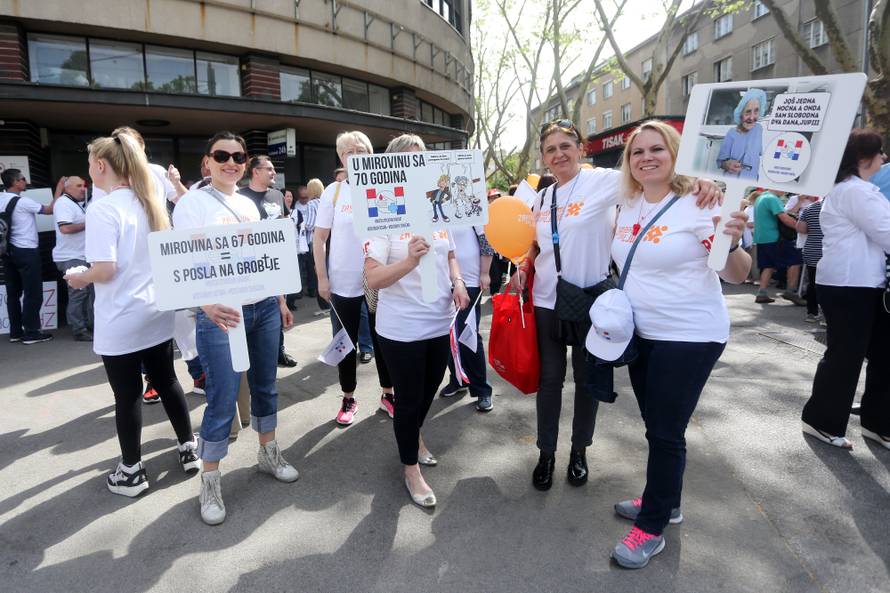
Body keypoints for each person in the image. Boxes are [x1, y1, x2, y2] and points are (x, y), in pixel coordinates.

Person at [512, 119, 720, 494]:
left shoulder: (604, 181)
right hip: (546, 300)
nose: (559, 154)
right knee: (549, 381)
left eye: (565, 146)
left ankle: (579, 451)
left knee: (587, 381)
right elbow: (534, 242)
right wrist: (525, 264)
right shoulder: (540, 197)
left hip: (591, 299)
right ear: (543, 157)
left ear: (581, 148)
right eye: (550, 149)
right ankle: (546, 453)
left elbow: (652, 174)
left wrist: (700, 182)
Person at [602, 120, 750, 569]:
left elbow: (737, 273)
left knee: (665, 431)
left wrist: (733, 238)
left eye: (657, 149)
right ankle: (667, 501)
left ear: (675, 154)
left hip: (689, 335)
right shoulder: (626, 203)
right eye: (636, 152)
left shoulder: (700, 204)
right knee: (658, 426)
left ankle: (651, 526)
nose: (646, 157)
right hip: (641, 334)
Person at [172, 131, 299, 525]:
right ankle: (210, 480)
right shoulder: (192, 203)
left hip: (261, 308)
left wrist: (278, 299)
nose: (231, 162)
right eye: (222, 155)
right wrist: (205, 304)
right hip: (221, 315)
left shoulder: (247, 203)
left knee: (265, 385)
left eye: (238, 156)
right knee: (223, 397)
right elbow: (182, 261)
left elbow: (263, 258)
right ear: (207, 161)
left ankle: (268, 452)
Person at [65, 131, 198, 497]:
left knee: (127, 395)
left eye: (90, 161)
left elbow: (105, 270)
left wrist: (79, 278)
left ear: (101, 165)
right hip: (155, 310)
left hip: (121, 316)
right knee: (167, 380)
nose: (88, 167)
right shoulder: (147, 201)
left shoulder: (102, 208)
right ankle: (188, 447)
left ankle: (131, 471)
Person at [365, 219, 470, 508]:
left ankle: (414, 435)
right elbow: (373, 279)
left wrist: (458, 281)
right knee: (409, 401)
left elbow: (450, 255)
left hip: (439, 322)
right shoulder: (385, 220)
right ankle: (411, 469)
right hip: (402, 328)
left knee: (427, 393)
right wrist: (410, 260)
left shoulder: (439, 215)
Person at [801, 129, 890, 451]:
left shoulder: (851, 189)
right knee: (846, 356)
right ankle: (822, 420)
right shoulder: (856, 192)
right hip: (852, 284)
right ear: (863, 158)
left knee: (877, 354)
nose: (883, 157)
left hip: (858, 282)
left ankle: (877, 422)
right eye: (879, 152)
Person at [313, 131, 394, 425]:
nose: (356, 154)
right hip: (342, 282)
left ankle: (388, 393)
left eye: (362, 149)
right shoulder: (333, 192)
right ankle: (348, 397)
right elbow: (319, 238)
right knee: (345, 343)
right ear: (341, 158)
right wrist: (322, 278)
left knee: (382, 339)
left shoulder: (386, 187)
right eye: (349, 151)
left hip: (379, 280)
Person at [238, 155, 296, 368]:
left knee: (279, 309)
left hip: (277, 263)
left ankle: (279, 350)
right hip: (252, 266)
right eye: (269, 169)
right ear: (255, 171)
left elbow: (285, 222)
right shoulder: (241, 196)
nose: (274, 173)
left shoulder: (277, 195)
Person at [0, 168, 58, 344]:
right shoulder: (23, 202)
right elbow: (49, 210)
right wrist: (59, 189)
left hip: (6, 252)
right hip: (26, 251)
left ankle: (16, 332)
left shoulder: (1, 199)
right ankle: (32, 332)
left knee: (13, 293)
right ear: (16, 182)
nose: (25, 182)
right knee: (32, 292)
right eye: (23, 179)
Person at [52, 175, 94, 341]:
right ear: (67, 187)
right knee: (79, 293)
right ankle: (79, 330)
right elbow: (66, 228)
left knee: (86, 293)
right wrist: (89, 223)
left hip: (78, 255)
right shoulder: (63, 203)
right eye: (78, 186)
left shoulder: (74, 204)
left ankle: (85, 326)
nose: (83, 189)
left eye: (84, 186)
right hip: (70, 256)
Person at [752, 189, 803, 305]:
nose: (785, 191)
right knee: (795, 260)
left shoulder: (760, 197)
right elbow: (784, 218)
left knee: (768, 265)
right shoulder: (772, 199)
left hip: (761, 237)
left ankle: (762, 293)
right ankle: (791, 291)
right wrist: (800, 228)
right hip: (774, 237)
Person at [716, 88, 766, 180]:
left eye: (756, 111)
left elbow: (758, 154)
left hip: (752, 181)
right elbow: (720, 162)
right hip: (732, 181)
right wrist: (727, 165)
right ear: (740, 113)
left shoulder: (759, 129)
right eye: (748, 112)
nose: (752, 117)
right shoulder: (732, 133)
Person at [796, 197, 825, 322]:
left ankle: (812, 313)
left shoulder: (811, 207)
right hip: (830, 251)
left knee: (812, 283)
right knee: (829, 284)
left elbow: (800, 228)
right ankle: (826, 317)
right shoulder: (840, 207)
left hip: (812, 249)